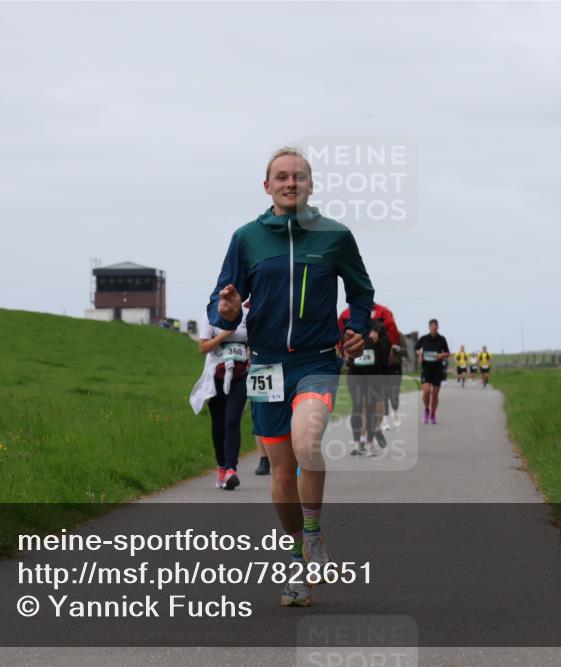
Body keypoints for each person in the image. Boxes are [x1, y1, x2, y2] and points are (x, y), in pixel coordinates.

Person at [208, 146, 374, 607]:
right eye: (281, 177)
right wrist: (224, 309)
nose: (290, 183)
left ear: (310, 185)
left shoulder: (335, 237)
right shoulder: (246, 238)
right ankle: (300, 561)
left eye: (298, 176)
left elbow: (361, 293)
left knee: (307, 442)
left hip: (317, 360)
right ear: (267, 186)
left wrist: (357, 329)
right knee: (280, 476)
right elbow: (219, 301)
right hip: (266, 365)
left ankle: (315, 536)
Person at [190, 306, 250, 490]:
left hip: (240, 375)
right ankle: (221, 466)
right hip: (216, 375)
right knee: (219, 424)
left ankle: (231, 469)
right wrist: (225, 335)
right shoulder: (211, 315)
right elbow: (203, 347)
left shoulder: (247, 314)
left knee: (232, 420)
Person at [339, 303, 401, 431]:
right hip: (356, 368)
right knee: (359, 404)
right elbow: (340, 334)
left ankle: (376, 427)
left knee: (376, 402)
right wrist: (343, 351)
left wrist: (380, 343)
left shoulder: (383, 313)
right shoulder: (345, 315)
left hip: (377, 367)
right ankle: (363, 440)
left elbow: (392, 335)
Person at [339, 312, 391, 456]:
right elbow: (342, 346)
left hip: (373, 373)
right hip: (355, 372)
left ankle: (369, 442)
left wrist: (378, 341)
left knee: (370, 407)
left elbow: (387, 349)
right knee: (357, 406)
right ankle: (357, 444)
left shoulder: (378, 327)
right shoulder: (351, 327)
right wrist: (345, 352)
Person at [416, 319, 450, 424]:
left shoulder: (442, 339)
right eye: (432, 325)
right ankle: (426, 409)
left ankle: (433, 413)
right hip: (426, 368)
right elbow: (417, 349)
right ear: (429, 327)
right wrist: (419, 354)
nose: (434, 327)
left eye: (435, 325)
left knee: (435, 394)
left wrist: (441, 355)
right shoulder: (424, 338)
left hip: (437, 369)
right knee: (426, 391)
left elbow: (448, 353)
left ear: (438, 327)